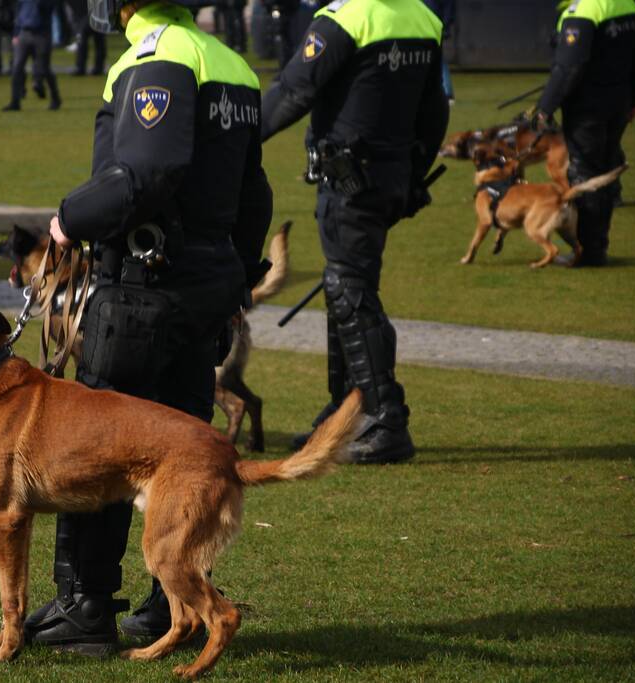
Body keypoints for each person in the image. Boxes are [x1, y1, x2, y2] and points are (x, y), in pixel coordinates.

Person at [23, 0, 273, 650]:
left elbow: (145, 174)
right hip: (204, 285)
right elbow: (254, 193)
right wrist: (238, 275)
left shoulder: (156, 55)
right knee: (180, 450)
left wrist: (69, 218)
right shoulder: (231, 62)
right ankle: (174, 602)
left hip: (143, 287)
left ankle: (84, 603)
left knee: (96, 444)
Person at [259, 0, 449, 463]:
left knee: (351, 291)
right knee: (343, 284)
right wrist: (411, 177)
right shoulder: (423, 16)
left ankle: (384, 418)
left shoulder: (345, 19)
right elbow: (434, 111)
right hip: (391, 177)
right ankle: (346, 411)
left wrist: (239, 139)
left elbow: (294, 91)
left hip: (350, 179)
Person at [532, 0, 635, 266]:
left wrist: (545, 108)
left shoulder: (585, 10)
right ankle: (598, 245)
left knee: (585, 173)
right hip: (618, 102)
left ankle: (589, 251)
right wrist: (633, 99)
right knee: (605, 169)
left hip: (587, 108)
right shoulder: (629, 4)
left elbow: (569, 66)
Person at [4, 0, 62, 110]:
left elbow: (50, 7)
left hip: (41, 34)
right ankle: (15, 101)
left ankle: (55, 98)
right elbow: (18, 13)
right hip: (24, 33)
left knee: (44, 68)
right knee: (17, 68)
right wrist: (16, 33)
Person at [69, 0, 107, 74]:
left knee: (89, 41)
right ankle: (95, 67)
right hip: (93, 14)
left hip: (89, 14)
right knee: (98, 41)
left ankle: (83, 68)